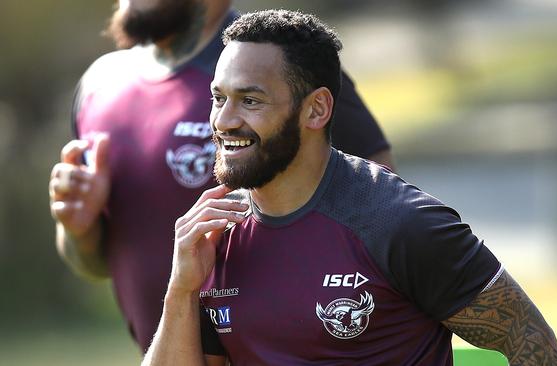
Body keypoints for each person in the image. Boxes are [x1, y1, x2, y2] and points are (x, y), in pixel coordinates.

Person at [142, 9, 557, 366]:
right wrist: (181, 289)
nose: (223, 121)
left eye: (250, 101)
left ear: (317, 109)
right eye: (219, 98)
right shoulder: (215, 235)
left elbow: (531, 342)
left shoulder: (400, 224)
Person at [47, 0, 393, 353]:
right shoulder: (99, 84)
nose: (226, 116)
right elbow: (96, 263)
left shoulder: (277, 62)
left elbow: (384, 217)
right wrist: (79, 229)